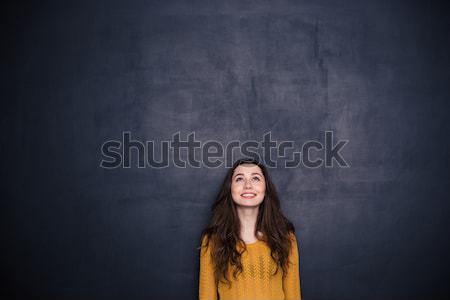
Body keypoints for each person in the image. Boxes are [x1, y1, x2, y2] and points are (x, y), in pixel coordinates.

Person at [198, 158, 302, 300]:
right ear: (230, 188)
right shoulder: (213, 240)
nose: (248, 185)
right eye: (240, 179)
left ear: (266, 188)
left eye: (255, 178)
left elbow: (293, 295)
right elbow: (206, 296)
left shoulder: (284, 237)